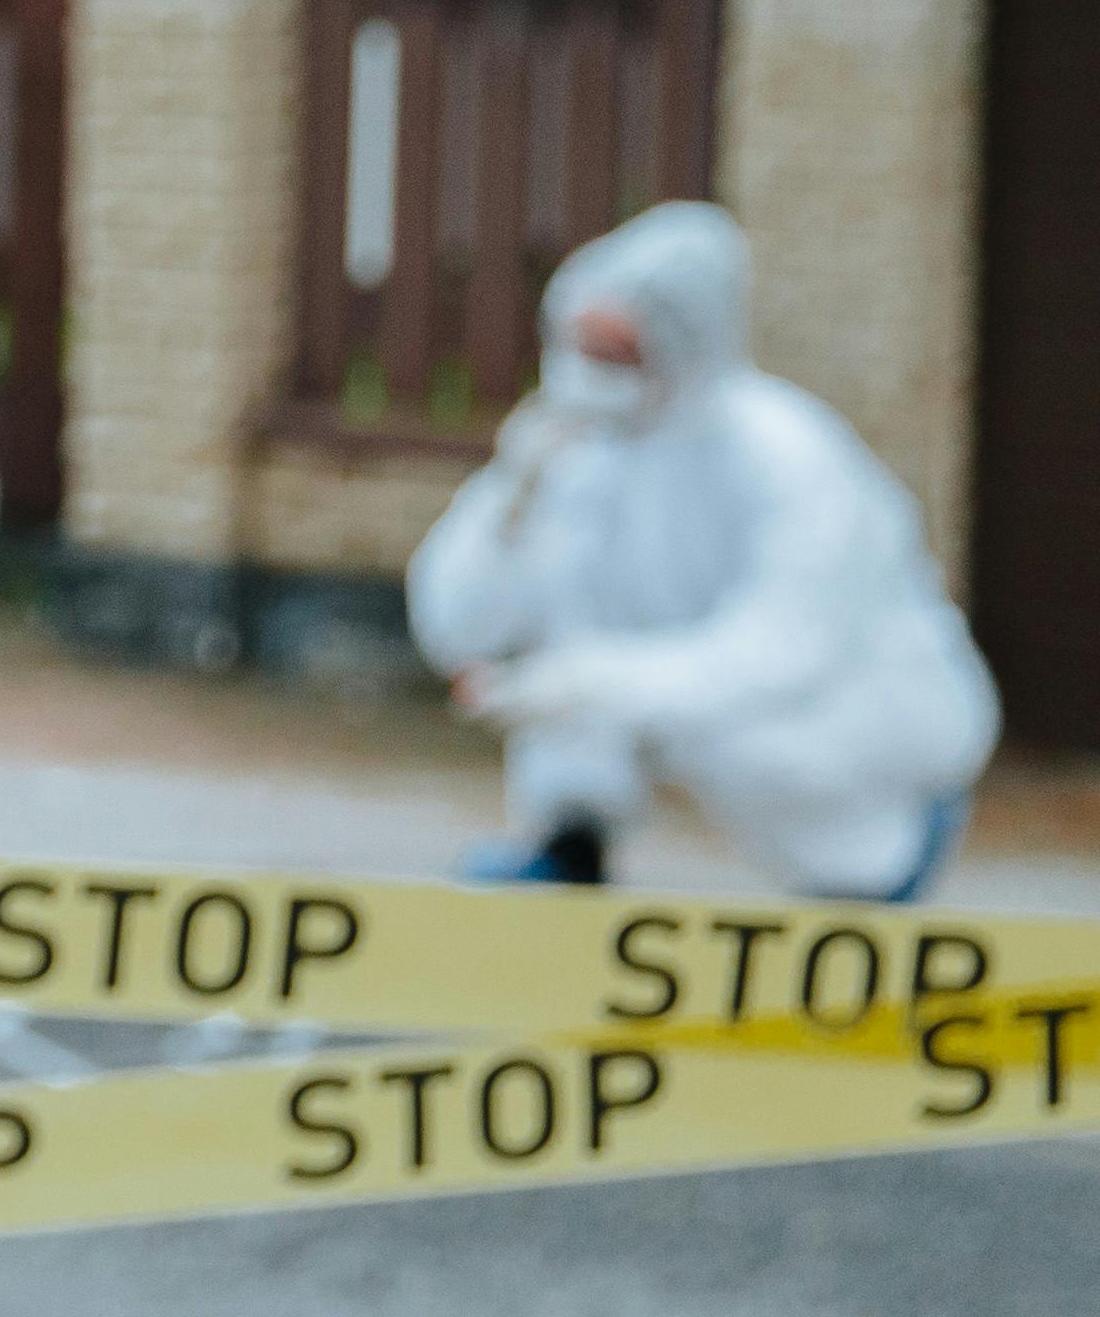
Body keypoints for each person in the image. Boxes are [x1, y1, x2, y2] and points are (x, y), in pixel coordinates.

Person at [410, 201, 993, 897]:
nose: (588, 374)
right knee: (580, 659)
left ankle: (867, 880)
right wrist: (510, 502)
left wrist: (589, 683)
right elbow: (457, 624)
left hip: (868, 743)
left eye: (616, 355)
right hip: (684, 689)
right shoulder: (575, 447)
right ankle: (569, 844)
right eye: (578, 348)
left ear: (683, 346)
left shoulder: (787, 457)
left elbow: (781, 651)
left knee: (739, 739)